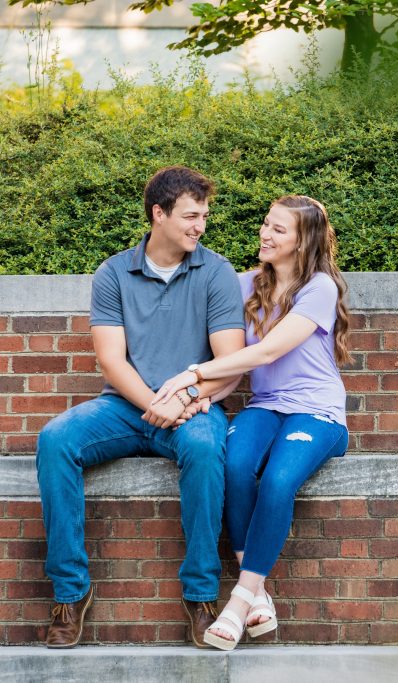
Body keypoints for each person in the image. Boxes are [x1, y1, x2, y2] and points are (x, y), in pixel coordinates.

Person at [35, 166, 245, 649]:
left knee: (206, 453)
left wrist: (186, 399)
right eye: (191, 216)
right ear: (159, 213)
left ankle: (200, 595)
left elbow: (229, 361)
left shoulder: (215, 273)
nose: (200, 226)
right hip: (129, 407)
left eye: (204, 216)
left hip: (195, 407)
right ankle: (71, 592)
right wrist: (156, 404)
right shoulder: (114, 273)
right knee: (56, 440)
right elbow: (111, 360)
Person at [152, 194, 351, 651]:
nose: (265, 233)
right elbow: (233, 364)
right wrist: (195, 396)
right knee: (235, 468)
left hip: (316, 411)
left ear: (304, 243)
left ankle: (240, 601)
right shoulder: (245, 285)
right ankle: (259, 592)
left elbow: (266, 351)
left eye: (279, 230)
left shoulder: (318, 287)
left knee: (278, 480)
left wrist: (192, 374)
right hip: (265, 405)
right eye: (266, 224)